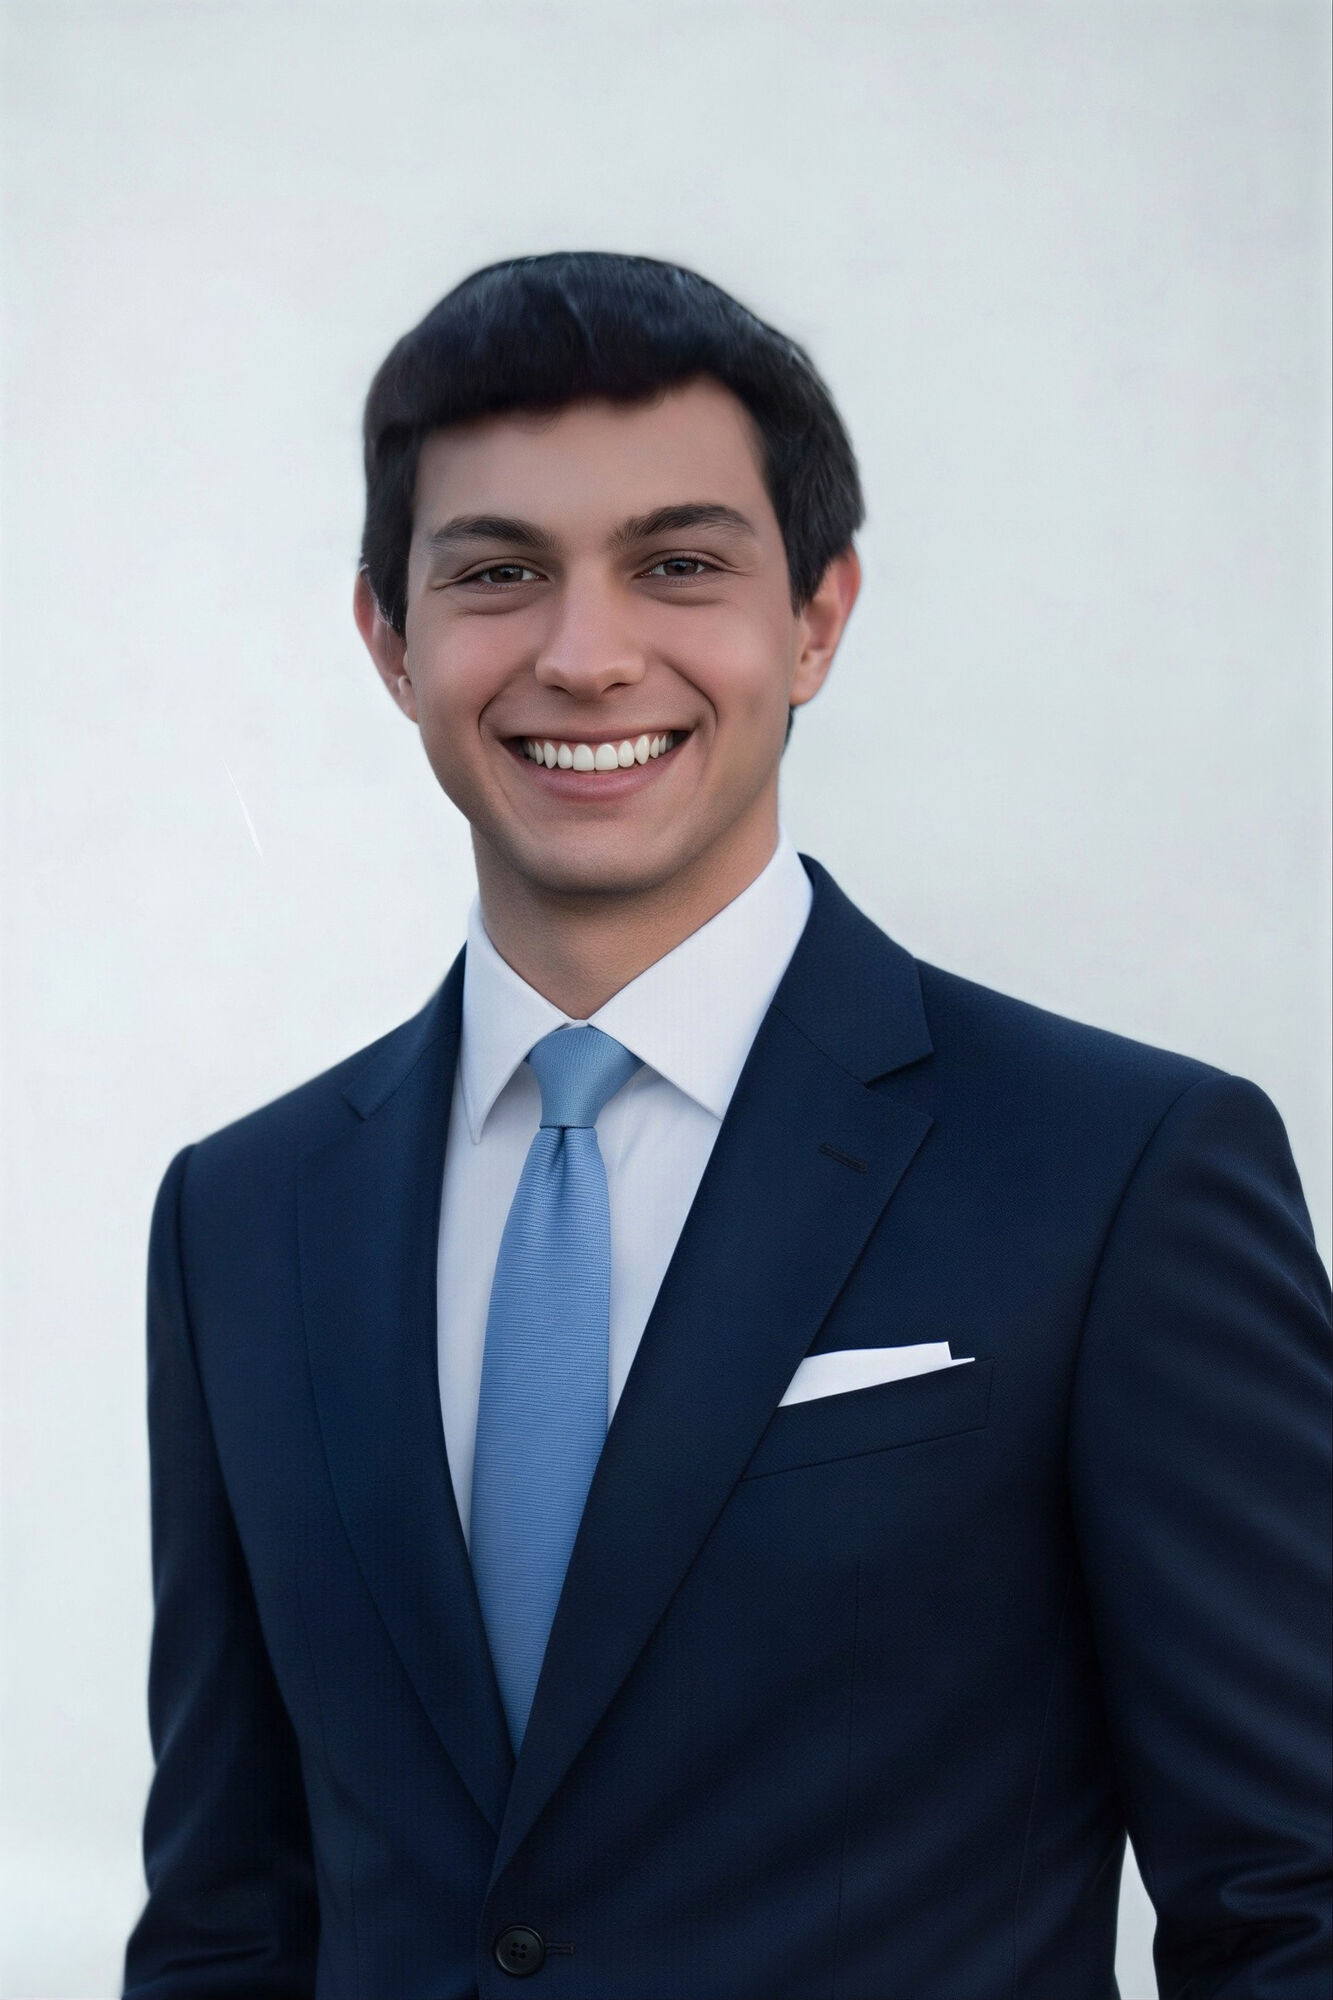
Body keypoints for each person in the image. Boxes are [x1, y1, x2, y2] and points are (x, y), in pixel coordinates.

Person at [123, 252, 1331, 2000]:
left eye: (677, 566)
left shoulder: (1117, 1176)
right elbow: (228, 1921)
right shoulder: (241, 1219)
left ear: (817, 618)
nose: (585, 655)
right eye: (496, 573)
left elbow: (1295, 1900)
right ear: (389, 638)